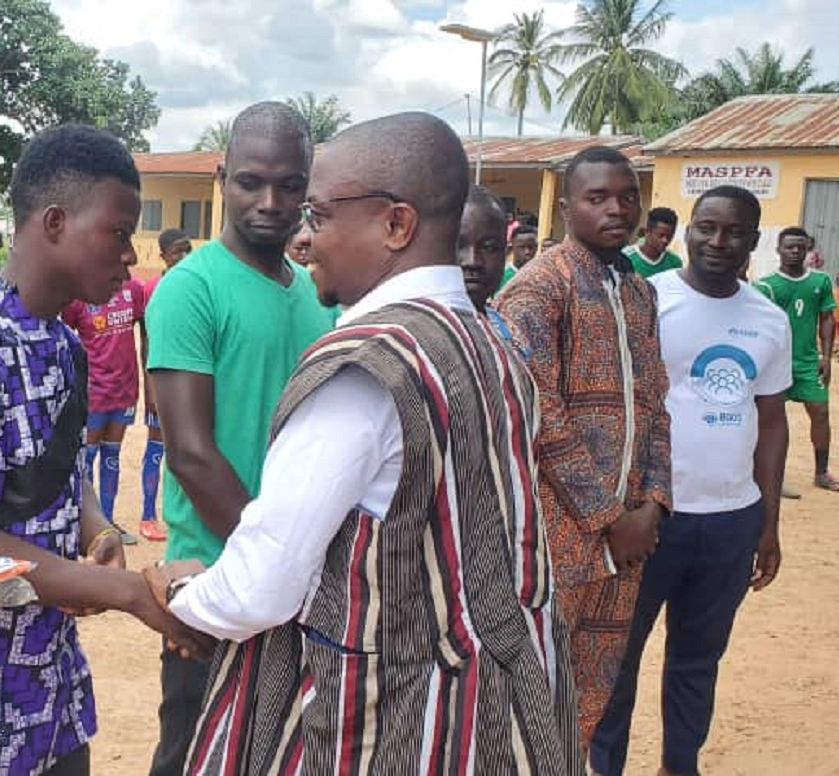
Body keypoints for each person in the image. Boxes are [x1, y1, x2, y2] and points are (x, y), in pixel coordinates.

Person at [149, 111, 580, 776]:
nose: (305, 234)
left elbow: (263, 585)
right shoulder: (489, 347)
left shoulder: (365, 370)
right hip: (487, 716)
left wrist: (178, 592)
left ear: (396, 225)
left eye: (317, 212)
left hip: (387, 723)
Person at [0, 124, 207, 776]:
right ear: (54, 221)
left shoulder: (62, 344)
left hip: (46, 687)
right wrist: (126, 592)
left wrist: (96, 528)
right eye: (117, 233)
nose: (129, 258)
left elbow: (58, 468)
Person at [143, 101, 337, 776]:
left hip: (301, 582)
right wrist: (269, 567)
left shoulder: (316, 298)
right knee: (194, 752)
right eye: (252, 181)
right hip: (218, 577)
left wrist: (297, 572)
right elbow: (191, 453)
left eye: (290, 184)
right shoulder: (190, 290)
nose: (271, 201)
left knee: (280, 752)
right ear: (224, 177)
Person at [590, 185, 788, 776]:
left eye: (733, 233)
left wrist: (768, 524)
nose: (717, 242)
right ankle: (605, 766)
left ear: (754, 242)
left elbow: (772, 425)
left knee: (698, 661)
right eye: (706, 227)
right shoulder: (646, 301)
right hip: (650, 520)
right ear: (687, 231)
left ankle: (681, 764)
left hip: (730, 521)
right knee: (618, 660)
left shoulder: (769, 320)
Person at [498, 145, 672, 752]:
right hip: (556, 541)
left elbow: (655, 405)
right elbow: (537, 411)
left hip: (627, 544)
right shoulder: (539, 289)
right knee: (527, 692)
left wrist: (652, 503)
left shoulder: (639, 293)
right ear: (567, 206)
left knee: (588, 697)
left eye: (628, 197)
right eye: (598, 197)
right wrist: (607, 518)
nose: (617, 209)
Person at [61, 272, 149, 545]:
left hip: (124, 390)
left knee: (113, 457)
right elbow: (64, 338)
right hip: (93, 392)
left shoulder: (133, 290)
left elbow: (142, 333)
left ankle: (109, 525)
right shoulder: (78, 296)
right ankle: (86, 529)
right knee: (85, 461)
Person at [754, 227, 839, 490]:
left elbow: (826, 318)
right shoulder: (765, 285)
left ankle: (821, 473)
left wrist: (825, 356)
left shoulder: (820, 282)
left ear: (807, 250)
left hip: (807, 362)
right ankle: (770, 476)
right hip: (774, 363)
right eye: (789, 247)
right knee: (771, 420)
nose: (794, 251)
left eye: (800, 247)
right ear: (778, 250)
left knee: (821, 412)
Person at [138, 229, 193, 542]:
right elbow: (146, 342)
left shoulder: (197, 286)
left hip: (189, 387)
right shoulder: (154, 289)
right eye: (176, 252)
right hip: (161, 386)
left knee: (185, 451)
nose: (183, 257)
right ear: (162, 256)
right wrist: (151, 389)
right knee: (156, 447)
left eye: (187, 250)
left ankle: (181, 517)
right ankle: (148, 514)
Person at [459, 185, 521, 342]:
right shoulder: (410, 336)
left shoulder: (511, 333)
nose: (473, 262)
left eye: (489, 248)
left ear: (505, 252)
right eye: (457, 246)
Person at [625, 206, 683, 278]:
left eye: (669, 236)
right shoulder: (626, 257)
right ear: (647, 232)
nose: (665, 240)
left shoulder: (675, 262)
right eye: (661, 235)